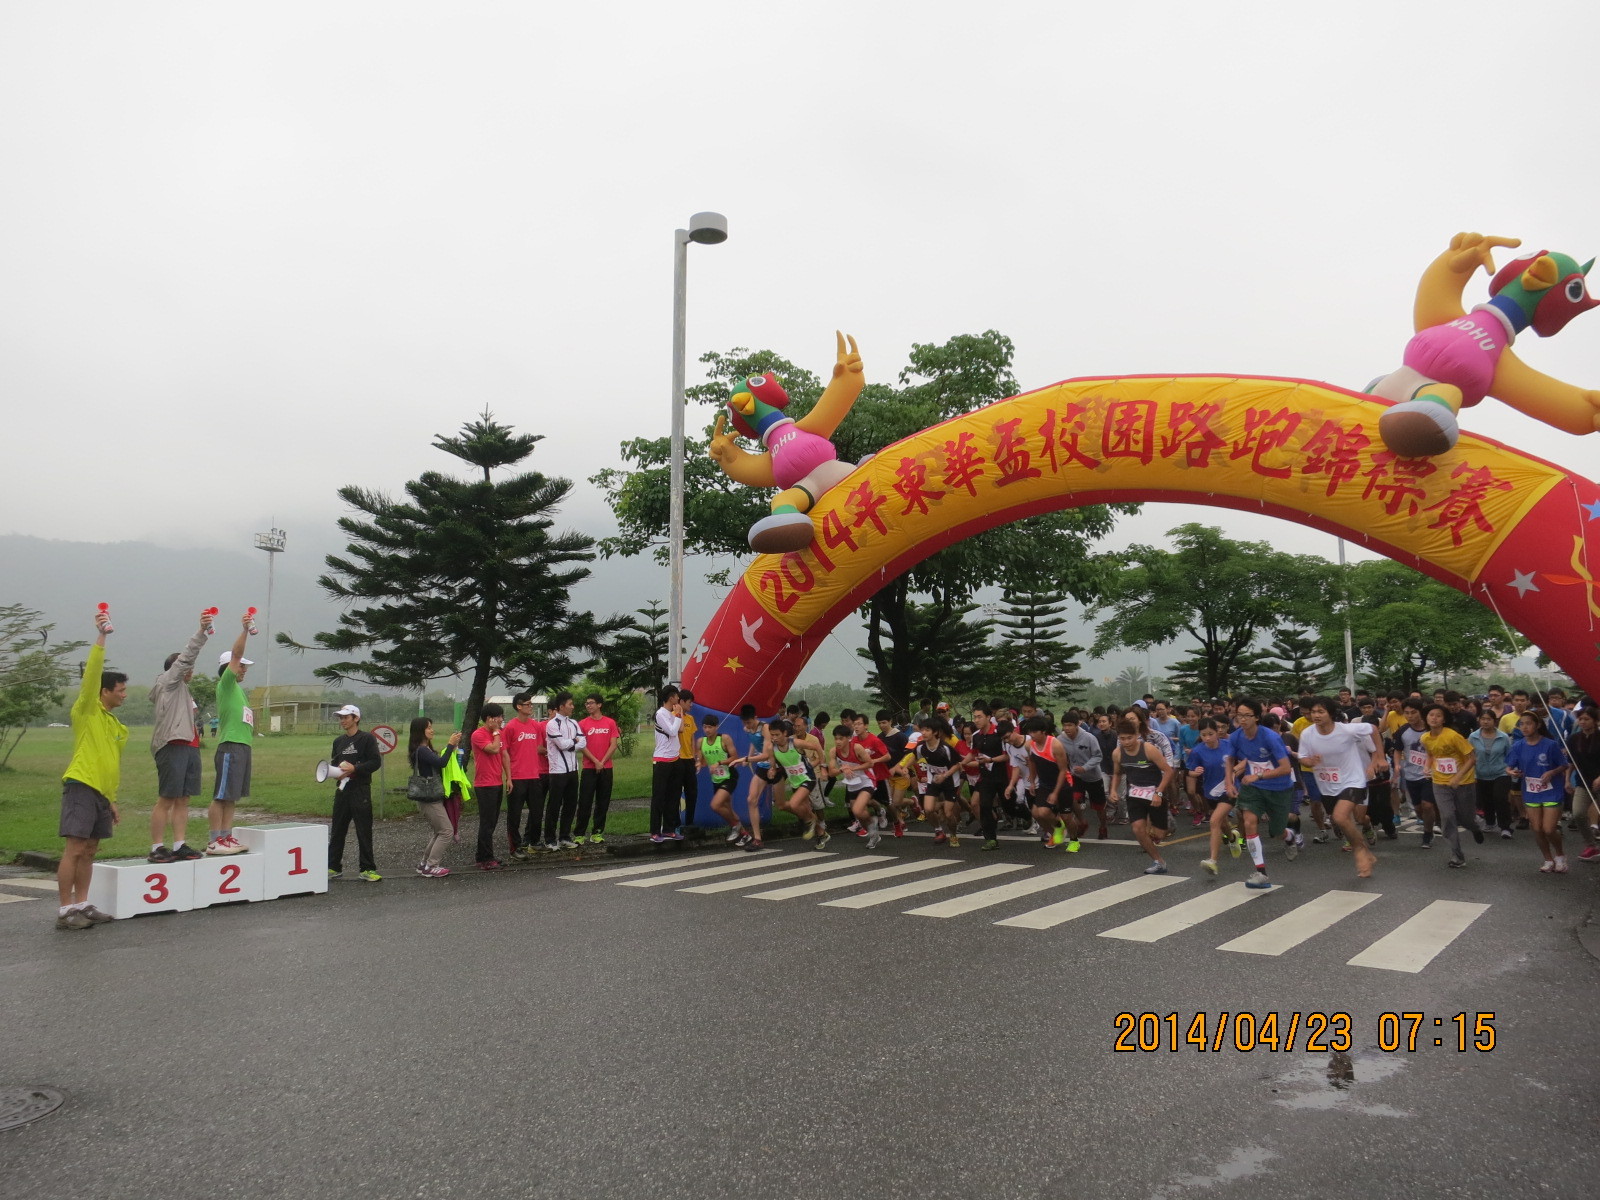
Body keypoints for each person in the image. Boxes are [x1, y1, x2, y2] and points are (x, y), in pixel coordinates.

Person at [55, 607, 126, 930]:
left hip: (100, 793)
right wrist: (101, 637)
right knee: (75, 848)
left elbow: (109, 766)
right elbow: (90, 676)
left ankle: (82, 902)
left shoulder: (115, 725)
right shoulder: (86, 711)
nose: (124, 694)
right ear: (104, 691)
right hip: (81, 786)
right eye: (120, 690)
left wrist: (110, 799)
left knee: (91, 849)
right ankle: (65, 910)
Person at [147, 610, 211, 864]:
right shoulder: (169, 683)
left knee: (183, 798)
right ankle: (157, 847)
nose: (190, 670)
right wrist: (202, 631)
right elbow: (186, 657)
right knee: (167, 798)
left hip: (190, 745)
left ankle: (179, 844)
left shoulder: (182, 689)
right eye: (187, 666)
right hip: (172, 745)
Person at [1297, 698, 1386, 878]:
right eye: (1313, 712)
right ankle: (1364, 850)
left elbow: (1374, 729)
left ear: (1330, 714)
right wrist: (1309, 761)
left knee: (1340, 815)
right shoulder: (1307, 734)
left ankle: (1360, 852)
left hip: (1353, 779)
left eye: (1320, 711)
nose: (1316, 715)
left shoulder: (1346, 730)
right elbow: (1302, 757)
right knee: (1339, 820)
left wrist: (1381, 758)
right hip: (1327, 784)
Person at [1222, 698, 1294, 889]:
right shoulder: (1236, 736)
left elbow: (1286, 768)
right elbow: (1229, 760)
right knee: (1249, 822)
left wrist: (1259, 776)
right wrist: (1229, 782)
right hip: (1253, 788)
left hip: (1278, 787)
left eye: (1247, 716)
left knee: (1277, 831)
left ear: (1257, 717)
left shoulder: (1270, 737)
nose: (1243, 719)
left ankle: (1290, 836)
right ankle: (1261, 873)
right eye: (1239, 715)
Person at [208, 614, 255, 856]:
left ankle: (226, 837)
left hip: (243, 746)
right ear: (230, 667)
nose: (244, 669)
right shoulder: (226, 684)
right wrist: (245, 630)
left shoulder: (239, 690)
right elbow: (236, 654)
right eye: (241, 666)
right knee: (221, 794)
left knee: (232, 795)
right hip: (230, 746)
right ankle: (215, 840)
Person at [1505, 712, 1569, 871]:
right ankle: (1548, 859)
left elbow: (1564, 765)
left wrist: (1551, 773)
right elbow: (1509, 767)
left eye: (1528, 723)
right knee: (1537, 828)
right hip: (1530, 791)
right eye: (1522, 724)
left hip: (1551, 791)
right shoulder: (1518, 746)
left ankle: (1560, 856)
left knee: (1549, 828)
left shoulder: (1550, 745)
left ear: (1537, 725)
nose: (1525, 727)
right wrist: (1512, 772)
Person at [1111, 718, 1173, 874]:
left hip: (1154, 794)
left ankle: (1167, 821)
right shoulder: (1117, 753)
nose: (1126, 742)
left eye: (1129, 738)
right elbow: (1117, 773)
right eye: (1122, 738)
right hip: (1135, 795)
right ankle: (1159, 862)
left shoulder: (1149, 749)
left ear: (1137, 735)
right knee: (1138, 829)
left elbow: (1168, 771)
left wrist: (1159, 793)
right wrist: (1113, 790)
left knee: (1159, 834)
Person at [328, 704, 383, 881]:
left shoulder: (367, 738)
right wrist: (333, 773)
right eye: (340, 718)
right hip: (342, 790)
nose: (342, 721)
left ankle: (367, 868)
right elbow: (335, 763)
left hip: (360, 790)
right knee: (337, 830)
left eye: (346, 717)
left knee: (363, 830)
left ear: (356, 718)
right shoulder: (338, 741)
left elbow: (375, 762)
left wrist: (355, 768)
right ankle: (333, 867)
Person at [1421, 703, 1479, 869]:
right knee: (1447, 817)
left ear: (1444, 719)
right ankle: (1457, 856)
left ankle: (1475, 827)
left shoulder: (1453, 736)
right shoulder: (1425, 738)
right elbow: (1431, 755)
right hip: (1439, 782)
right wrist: (1427, 766)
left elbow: (1472, 758)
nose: (1434, 718)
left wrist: (1458, 777)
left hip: (1463, 782)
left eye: (1438, 715)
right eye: (1431, 715)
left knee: (1466, 819)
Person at [406, 716, 458, 877]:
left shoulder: (424, 749)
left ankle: (424, 864)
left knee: (439, 831)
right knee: (447, 832)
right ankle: (431, 866)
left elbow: (437, 762)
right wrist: (451, 744)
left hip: (430, 798)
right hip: (429, 800)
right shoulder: (421, 750)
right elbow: (441, 763)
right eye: (428, 727)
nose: (432, 730)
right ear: (420, 731)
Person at [1025, 715, 1080, 853]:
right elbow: (1031, 761)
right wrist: (1032, 781)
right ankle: (1057, 829)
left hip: (1062, 784)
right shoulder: (1030, 745)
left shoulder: (1055, 745)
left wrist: (1056, 793)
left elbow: (1063, 770)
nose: (1031, 735)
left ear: (1043, 731)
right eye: (1029, 732)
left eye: (1034, 732)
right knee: (1038, 813)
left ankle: (1074, 840)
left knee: (1067, 816)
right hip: (1044, 784)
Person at [503, 692, 546, 860]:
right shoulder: (511, 727)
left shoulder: (535, 726)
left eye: (531, 704)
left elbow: (538, 747)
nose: (531, 707)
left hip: (534, 776)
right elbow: (504, 752)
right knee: (514, 814)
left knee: (537, 811)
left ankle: (534, 842)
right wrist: (508, 777)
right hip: (517, 777)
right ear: (519, 707)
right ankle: (515, 847)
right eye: (527, 704)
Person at [541, 691, 586, 850]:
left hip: (573, 769)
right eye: (570, 704)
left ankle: (564, 836)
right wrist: (574, 741)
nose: (572, 707)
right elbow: (562, 744)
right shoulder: (552, 724)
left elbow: (583, 742)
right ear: (561, 707)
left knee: (571, 804)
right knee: (554, 805)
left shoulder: (574, 723)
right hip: (558, 771)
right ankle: (549, 838)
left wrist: (573, 742)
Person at [574, 693, 620, 845]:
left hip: (606, 768)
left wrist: (602, 761)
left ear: (599, 705)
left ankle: (597, 832)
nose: (588, 705)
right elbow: (582, 745)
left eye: (591, 703)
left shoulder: (610, 723)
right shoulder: (582, 724)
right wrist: (595, 762)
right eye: (586, 703)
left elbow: (613, 744)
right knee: (585, 801)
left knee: (603, 801)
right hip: (589, 768)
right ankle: (580, 834)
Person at [1394, 701, 1441, 846]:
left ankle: (1428, 833)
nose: (1410, 716)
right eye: (1406, 713)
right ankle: (1432, 823)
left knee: (1427, 805)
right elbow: (1398, 749)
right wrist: (1396, 765)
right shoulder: (1403, 731)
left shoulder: (1432, 729)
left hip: (1430, 774)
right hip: (1410, 774)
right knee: (1419, 809)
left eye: (1413, 712)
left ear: (1421, 712)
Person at [469, 703, 509, 869]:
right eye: (498, 717)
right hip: (485, 784)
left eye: (501, 716)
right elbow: (493, 749)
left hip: (497, 781)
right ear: (489, 719)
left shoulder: (499, 734)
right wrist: (495, 732)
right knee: (486, 823)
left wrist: (509, 778)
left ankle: (483, 856)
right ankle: (485, 859)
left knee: (492, 821)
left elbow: (504, 754)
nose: (501, 719)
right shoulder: (478, 734)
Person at [1059, 712, 1108, 839]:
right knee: (1072, 798)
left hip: (1093, 776)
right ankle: (1082, 822)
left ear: (1077, 725)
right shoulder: (1060, 739)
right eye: (1064, 725)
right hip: (1075, 776)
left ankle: (1103, 826)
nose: (1067, 728)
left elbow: (1098, 756)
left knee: (1099, 806)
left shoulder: (1089, 737)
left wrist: (1085, 767)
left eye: (1070, 725)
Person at [1469, 710, 1515, 840]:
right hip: (1481, 774)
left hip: (1501, 772)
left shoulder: (1503, 737)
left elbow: (1509, 755)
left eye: (1488, 719)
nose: (1485, 721)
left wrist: (1510, 768)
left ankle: (1505, 827)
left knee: (1500, 798)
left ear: (1494, 721)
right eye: (1483, 719)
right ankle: (1490, 822)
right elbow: (1469, 755)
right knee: (1486, 800)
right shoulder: (1473, 737)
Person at [649, 686, 685, 844]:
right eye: (677, 696)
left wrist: (680, 714)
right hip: (662, 760)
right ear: (671, 698)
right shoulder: (661, 714)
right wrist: (677, 715)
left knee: (674, 795)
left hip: (675, 758)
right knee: (659, 797)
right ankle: (655, 831)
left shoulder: (672, 714)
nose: (678, 699)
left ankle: (670, 829)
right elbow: (671, 731)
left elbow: (681, 729)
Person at [1567, 705, 1600, 861]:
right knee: (1578, 813)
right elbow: (1571, 762)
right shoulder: (1574, 739)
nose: (1583, 722)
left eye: (1587, 719)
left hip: (1598, 781)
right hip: (1583, 782)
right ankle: (1591, 845)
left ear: (1595, 721)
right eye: (1580, 719)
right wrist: (1567, 779)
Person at [674, 687, 699, 833]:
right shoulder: (672, 716)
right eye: (689, 702)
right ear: (681, 701)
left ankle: (690, 822)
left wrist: (695, 757)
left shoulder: (691, 719)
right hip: (676, 759)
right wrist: (679, 714)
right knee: (675, 792)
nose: (691, 705)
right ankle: (675, 823)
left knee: (692, 792)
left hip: (689, 759)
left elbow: (693, 739)